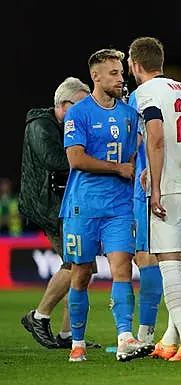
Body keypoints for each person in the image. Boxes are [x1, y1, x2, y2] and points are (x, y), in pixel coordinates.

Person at [61, 49, 144, 362]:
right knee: (81, 274)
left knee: (122, 268)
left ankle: (125, 337)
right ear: (95, 76)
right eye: (113, 73)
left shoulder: (127, 113)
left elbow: (135, 146)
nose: (120, 78)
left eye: (121, 73)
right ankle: (77, 342)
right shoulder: (79, 113)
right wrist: (118, 168)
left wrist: (136, 163)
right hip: (83, 206)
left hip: (119, 207)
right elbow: (76, 158)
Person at [128, 36, 181, 362]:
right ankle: (171, 340)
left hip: (170, 187)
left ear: (134, 65)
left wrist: (155, 182)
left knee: (168, 263)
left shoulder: (145, 93)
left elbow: (155, 138)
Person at [18, 77, 101, 350]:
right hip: (47, 205)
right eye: (79, 105)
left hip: (65, 203)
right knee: (77, 263)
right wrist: (89, 157)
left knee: (83, 267)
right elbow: (53, 160)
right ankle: (39, 316)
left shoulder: (67, 125)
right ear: (63, 105)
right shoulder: (40, 125)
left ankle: (69, 334)